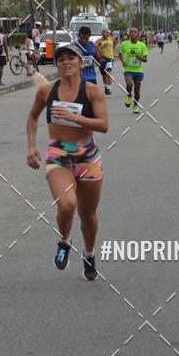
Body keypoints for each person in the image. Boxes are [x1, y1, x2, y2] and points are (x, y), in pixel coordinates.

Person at [26, 43, 108, 280]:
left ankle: (89, 254)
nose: (65, 62)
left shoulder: (92, 91)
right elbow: (32, 117)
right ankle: (64, 240)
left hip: (88, 157)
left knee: (88, 215)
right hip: (59, 156)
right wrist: (32, 146)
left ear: (81, 63)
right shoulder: (47, 91)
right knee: (67, 204)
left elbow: (103, 125)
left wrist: (74, 117)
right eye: (60, 59)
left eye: (71, 58)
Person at [119, 26, 148, 112]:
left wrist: (140, 58)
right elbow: (120, 54)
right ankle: (129, 95)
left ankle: (135, 106)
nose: (132, 33)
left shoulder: (142, 45)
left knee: (137, 91)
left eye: (134, 32)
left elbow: (145, 60)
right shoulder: (124, 44)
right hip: (128, 69)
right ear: (129, 34)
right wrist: (122, 61)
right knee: (129, 84)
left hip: (138, 70)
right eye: (131, 32)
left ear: (138, 34)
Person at [96, 27, 115, 95]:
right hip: (102, 59)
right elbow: (95, 49)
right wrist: (102, 47)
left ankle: (109, 89)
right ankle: (106, 87)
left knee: (108, 73)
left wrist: (113, 51)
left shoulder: (112, 39)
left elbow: (115, 44)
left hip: (110, 58)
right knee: (104, 75)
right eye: (103, 32)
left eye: (106, 32)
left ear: (108, 33)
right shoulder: (99, 41)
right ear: (102, 33)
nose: (105, 33)